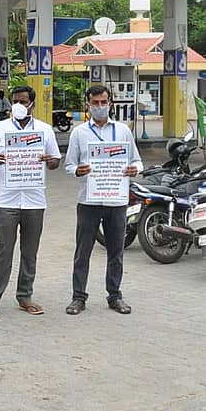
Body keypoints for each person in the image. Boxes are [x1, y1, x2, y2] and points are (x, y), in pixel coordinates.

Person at [0, 86, 61, 318]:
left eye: (23, 101)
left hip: (34, 200)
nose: (18, 106)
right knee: (3, 249)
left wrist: (48, 160)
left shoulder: (44, 130)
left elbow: (55, 161)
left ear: (32, 104)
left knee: (30, 251)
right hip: (6, 200)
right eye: (15, 101)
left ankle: (25, 295)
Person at [64, 85, 142, 316]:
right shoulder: (79, 133)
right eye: (95, 103)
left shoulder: (123, 131)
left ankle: (115, 295)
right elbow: (69, 165)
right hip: (89, 200)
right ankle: (78, 297)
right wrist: (79, 170)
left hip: (116, 201)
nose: (99, 107)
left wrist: (133, 170)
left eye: (103, 102)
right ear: (87, 104)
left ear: (110, 103)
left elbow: (138, 161)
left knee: (116, 250)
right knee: (83, 251)